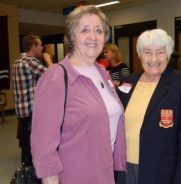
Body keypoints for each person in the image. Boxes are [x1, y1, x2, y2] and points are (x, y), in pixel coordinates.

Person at [30, 5, 126, 184]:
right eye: (84, 30)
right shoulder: (56, 77)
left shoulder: (102, 73)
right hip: (75, 176)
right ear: (72, 37)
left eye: (98, 30)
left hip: (105, 173)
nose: (93, 36)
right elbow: (43, 147)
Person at [117, 29, 181, 184]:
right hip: (124, 167)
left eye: (160, 52)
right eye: (147, 52)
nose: (154, 58)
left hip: (160, 170)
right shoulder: (127, 82)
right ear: (139, 55)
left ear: (168, 54)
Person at [12, 34, 53, 166]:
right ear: (33, 47)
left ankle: (26, 169)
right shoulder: (30, 61)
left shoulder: (17, 60)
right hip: (31, 109)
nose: (42, 48)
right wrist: (48, 60)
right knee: (33, 143)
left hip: (21, 109)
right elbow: (53, 76)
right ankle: (31, 171)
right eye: (40, 45)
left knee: (26, 143)